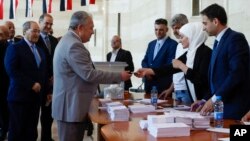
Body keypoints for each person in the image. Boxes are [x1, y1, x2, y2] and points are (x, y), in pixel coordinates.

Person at [52, 11, 131, 141]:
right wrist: (119, 76)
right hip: (70, 108)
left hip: (71, 105)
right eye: (91, 28)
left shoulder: (68, 40)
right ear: (80, 28)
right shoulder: (74, 45)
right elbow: (89, 74)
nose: (93, 32)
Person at [135, 22, 212, 105]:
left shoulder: (206, 53)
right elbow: (169, 69)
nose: (180, 40)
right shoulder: (190, 53)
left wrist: (181, 66)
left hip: (206, 101)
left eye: (182, 37)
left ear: (191, 37)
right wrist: (147, 71)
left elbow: (200, 79)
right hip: (197, 101)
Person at [196, 3, 250, 120]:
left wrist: (214, 99)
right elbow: (215, 79)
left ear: (215, 21)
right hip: (221, 108)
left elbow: (236, 74)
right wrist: (205, 100)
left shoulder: (235, 39)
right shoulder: (217, 42)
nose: (203, 28)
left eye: (205, 23)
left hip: (234, 108)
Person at [4, 21, 47, 141]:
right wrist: (31, 84)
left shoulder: (40, 50)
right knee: (17, 132)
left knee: (31, 132)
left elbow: (42, 73)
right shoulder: (15, 48)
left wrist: (47, 90)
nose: (37, 34)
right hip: (19, 98)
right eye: (34, 31)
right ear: (24, 32)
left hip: (35, 99)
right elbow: (11, 70)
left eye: (38, 31)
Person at [158, 14, 191, 105]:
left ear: (185, 26)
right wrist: (171, 88)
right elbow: (176, 70)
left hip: (187, 89)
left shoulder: (191, 43)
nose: (175, 31)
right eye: (173, 28)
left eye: (177, 28)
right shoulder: (179, 45)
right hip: (177, 90)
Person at [36, 13, 58, 141]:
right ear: (40, 22)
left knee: (48, 114)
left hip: (51, 83)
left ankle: (46, 137)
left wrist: (55, 76)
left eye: (51, 24)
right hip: (37, 83)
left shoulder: (54, 40)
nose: (48, 26)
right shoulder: (34, 38)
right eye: (46, 23)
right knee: (33, 114)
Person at [141, 18, 177, 95]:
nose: (158, 32)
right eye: (156, 29)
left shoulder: (173, 44)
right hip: (148, 85)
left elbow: (169, 65)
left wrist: (152, 72)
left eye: (161, 30)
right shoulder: (151, 44)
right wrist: (147, 73)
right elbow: (145, 60)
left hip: (163, 87)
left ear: (167, 29)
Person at [0, 25, 10, 141]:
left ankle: (4, 130)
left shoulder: (8, 47)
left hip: (5, 84)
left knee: (4, 110)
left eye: (1, 35)